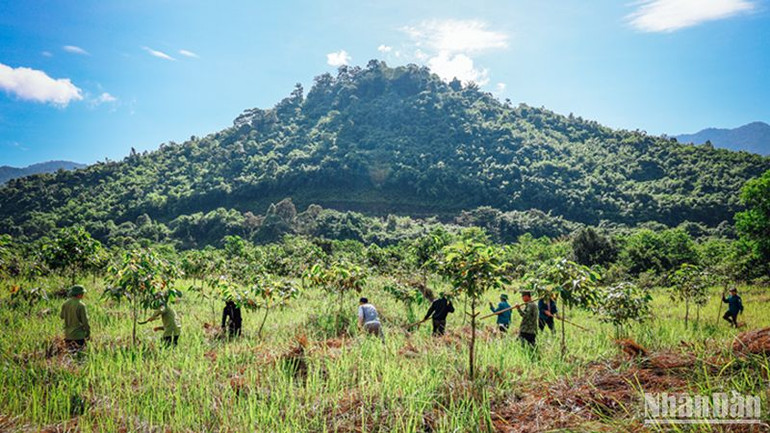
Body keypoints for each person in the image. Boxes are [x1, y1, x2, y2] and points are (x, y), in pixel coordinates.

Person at [60, 285, 90, 352]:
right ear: (79, 294)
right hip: (79, 336)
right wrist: (88, 332)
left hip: (68, 335)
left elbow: (62, 316)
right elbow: (85, 321)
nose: (83, 295)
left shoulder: (65, 304)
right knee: (79, 356)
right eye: (82, 294)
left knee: (70, 355)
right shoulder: (81, 305)